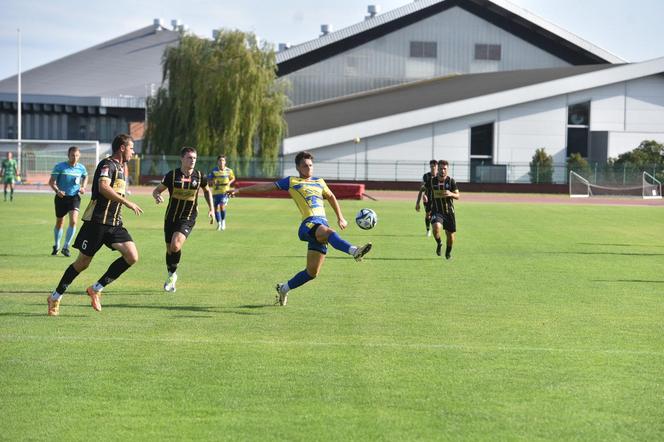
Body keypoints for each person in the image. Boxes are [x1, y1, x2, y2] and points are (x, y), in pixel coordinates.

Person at [228, 151, 372, 306]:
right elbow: (266, 187)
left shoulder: (320, 182)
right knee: (330, 232)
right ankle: (354, 251)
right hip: (308, 224)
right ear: (298, 167)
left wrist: (340, 217)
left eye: (310, 165)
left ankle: (284, 288)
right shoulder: (292, 181)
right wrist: (239, 190)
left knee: (312, 273)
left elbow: (330, 197)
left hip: (321, 227)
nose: (309, 168)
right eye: (305, 165)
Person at [46, 134, 143, 316]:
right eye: (131, 148)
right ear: (122, 148)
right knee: (82, 263)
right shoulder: (107, 164)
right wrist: (127, 202)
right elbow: (103, 188)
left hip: (114, 223)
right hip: (97, 222)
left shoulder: (123, 168)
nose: (133, 151)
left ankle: (96, 288)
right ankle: (55, 296)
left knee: (132, 256)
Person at [153, 146, 214, 292]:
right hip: (170, 217)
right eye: (189, 157)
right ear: (182, 159)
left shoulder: (200, 176)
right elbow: (157, 190)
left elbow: (207, 190)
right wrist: (157, 196)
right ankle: (171, 274)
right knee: (169, 249)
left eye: (194, 158)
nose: (192, 160)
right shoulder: (172, 176)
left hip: (188, 217)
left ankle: (172, 275)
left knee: (175, 246)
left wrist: (211, 209)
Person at [48, 146, 88, 257]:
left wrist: (83, 187)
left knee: (74, 221)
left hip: (74, 197)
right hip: (61, 198)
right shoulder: (60, 167)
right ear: (68, 155)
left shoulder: (81, 168)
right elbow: (51, 182)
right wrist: (57, 191)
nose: (74, 157)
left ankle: (66, 247)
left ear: (79, 156)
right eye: (72, 155)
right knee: (60, 222)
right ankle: (56, 245)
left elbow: (85, 176)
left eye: (76, 155)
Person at [430, 160, 459, 260]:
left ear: (447, 170)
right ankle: (439, 243)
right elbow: (427, 192)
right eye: (441, 168)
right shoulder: (432, 181)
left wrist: (451, 194)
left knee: (450, 236)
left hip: (449, 212)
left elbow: (458, 195)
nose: (442, 171)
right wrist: (424, 198)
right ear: (438, 169)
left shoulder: (451, 181)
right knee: (436, 228)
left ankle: (448, 253)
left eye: (444, 169)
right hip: (437, 211)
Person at [208, 155, 235, 231]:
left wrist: (229, 182)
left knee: (222, 206)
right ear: (217, 162)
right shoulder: (214, 171)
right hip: (216, 192)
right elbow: (209, 180)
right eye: (220, 160)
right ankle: (219, 223)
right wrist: (213, 181)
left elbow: (233, 178)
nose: (221, 162)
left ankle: (223, 222)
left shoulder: (229, 170)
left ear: (225, 162)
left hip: (225, 192)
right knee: (216, 208)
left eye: (223, 160)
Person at [415, 160, 438, 237]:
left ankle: (437, 228)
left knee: (436, 215)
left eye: (434, 166)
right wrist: (417, 203)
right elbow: (422, 189)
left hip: (437, 199)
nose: (433, 168)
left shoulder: (440, 176)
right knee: (428, 215)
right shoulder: (426, 176)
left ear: (437, 167)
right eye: (431, 166)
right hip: (427, 199)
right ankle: (428, 230)